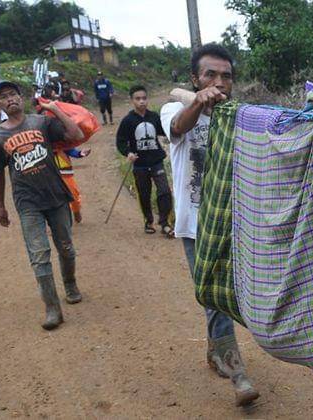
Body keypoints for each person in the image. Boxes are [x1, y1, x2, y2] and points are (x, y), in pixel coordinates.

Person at [160, 43, 260, 407]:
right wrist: (199, 102)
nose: (219, 82)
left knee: (222, 293)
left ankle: (215, 351)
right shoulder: (176, 107)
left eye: (226, 76)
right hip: (195, 226)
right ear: (195, 78)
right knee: (215, 296)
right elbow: (177, 126)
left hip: (233, 223)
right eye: (210, 75)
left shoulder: (238, 117)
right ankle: (238, 372)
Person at [0, 80, 85, 330]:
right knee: (39, 256)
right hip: (27, 202)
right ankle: (52, 308)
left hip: (55, 195)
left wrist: (56, 109)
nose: (9, 99)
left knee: (66, 247)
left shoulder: (41, 122)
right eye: (3, 97)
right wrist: (1, 205)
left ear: (21, 97)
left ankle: (70, 283)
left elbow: (76, 135)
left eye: (12, 94)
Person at [116, 85, 174, 237]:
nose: (141, 101)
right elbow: (120, 141)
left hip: (156, 161)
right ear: (132, 100)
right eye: (138, 99)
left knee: (164, 191)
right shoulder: (127, 121)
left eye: (144, 98)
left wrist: (175, 130)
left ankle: (165, 223)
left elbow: (165, 131)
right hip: (140, 164)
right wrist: (128, 153)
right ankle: (148, 221)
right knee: (144, 194)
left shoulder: (154, 117)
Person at [54, 147, 91, 223]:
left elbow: (70, 149)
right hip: (49, 172)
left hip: (65, 172)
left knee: (73, 194)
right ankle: (58, 223)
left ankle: (76, 210)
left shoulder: (60, 140)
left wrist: (80, 153)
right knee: (54, 197)